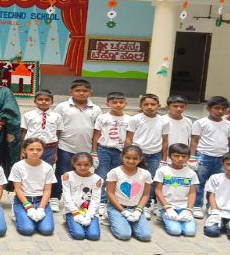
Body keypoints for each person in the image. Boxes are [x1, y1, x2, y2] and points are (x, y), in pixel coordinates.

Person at [52, 80, 102, 211]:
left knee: (82, 175)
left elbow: (97, 131)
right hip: (65, 147)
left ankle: (78, 200)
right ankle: (55, 197)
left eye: (85, 91)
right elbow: (56, 128)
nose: (81, 93)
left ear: (90, 92)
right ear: (71, 91)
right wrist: (55, 149)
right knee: (62, 173)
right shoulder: (62, 107)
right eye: (77, 90)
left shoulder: (96, 109)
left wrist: (94, 152)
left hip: (86, 149)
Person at [189, 95, 230, 218]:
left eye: (223, 109)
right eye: (217, 108)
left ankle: (212, 206)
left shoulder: (229, 124)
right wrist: (192, 157)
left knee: (218, 183)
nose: (220, 111)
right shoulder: (200, 122)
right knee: (199, 182)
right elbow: (194, 140)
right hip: (203, 156)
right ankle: (197, 206)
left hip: (222, 157)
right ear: (208, 108)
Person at [124, 93, 167, 216]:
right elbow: (129, 138)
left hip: (155, 154)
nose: (149, 107)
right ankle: (131, 203)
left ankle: (147, 205)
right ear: (141, 106)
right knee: (134, 178)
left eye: (153, 104)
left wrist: (164, 159)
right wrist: (126, 154)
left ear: (159, 105)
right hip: (137, 155)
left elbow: (165, 141)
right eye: (146, 104)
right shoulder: (135, 119)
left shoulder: (164, 121)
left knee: (150, 180)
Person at [90, 91, 128, 222]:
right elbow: (96, 136)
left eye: (121, 102)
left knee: (116, 177)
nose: (118, 105)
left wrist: (126, 153)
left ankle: (111, 201)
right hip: (104, 150)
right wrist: (94, 153)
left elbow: (129, 137)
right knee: (101, 176)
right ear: (108, 104)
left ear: (125, 103)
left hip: (120, 152)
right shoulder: (102, 118)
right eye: (114, 102)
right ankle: (100, 201)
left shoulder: (129, 119)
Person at [9, 138, 56, 236]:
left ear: (43, 151)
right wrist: (28, 207)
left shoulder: (48, 167)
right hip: (23, 200)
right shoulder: (18, 166)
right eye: (31, 149)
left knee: (47, 230)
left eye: (39, 149)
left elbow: (47, 190)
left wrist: (41, 208)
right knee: (27, 230)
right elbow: (18, 189)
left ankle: (33, 219)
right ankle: (17, 215)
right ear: (24, 150)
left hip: (40, 200)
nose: (35, 152)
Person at [106, 145, 152, 242]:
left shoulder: (145, 174)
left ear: (140, 158)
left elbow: (145, 195)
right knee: (124, 235)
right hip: (117, 208)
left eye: (135, 158)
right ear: (122, 156)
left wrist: (138, 210)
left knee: (145, 236)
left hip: (136, 208)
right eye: (127, 158)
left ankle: (128, 223)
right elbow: (110, 193)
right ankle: (115, 219)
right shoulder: (114, 172)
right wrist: (123, 211)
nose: (131, 161)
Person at [154, 143, 198, 237]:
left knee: (190, 232)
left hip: (184, 207)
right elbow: (158, 190)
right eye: (176, 156)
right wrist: (167, 207)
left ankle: (181, 217)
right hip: (168, 206)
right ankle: (163, 215)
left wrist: (189, 209)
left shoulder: (191, 173)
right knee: (175, 231)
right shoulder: (162, 171)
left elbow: (192, 192)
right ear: (169, 156)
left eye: (184, 156)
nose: (180, 159)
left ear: (188, 157)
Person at [61, 152, 102, 241]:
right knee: (79, 235)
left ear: (91, 164)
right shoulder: (67, 176)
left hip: (89, 211)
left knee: (94, 235)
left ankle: (88, 223)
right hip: (72, 211)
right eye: (79, 164)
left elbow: (95, 199)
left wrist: (89, 215)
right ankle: (69, 220)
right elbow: (66, 197)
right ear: (74, 164)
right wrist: (76, 213)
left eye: (86, 165)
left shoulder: (97, 179)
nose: (82, 167)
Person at [20, 89, 62, 166]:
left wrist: (55, 153)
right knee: (30, 166)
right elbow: (24, 132)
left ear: (52, 102)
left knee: (47, 167)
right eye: (40, 99)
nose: (43, 101)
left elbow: (57, 134)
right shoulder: (27, 115)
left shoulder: (57, 116)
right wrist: (22, 150)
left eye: (47, 100)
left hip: (50, 148)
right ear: (35, 101)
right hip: (31, 147)